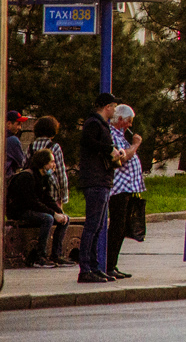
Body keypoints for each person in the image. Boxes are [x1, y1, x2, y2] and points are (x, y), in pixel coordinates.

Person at [77, 92, 124, 283]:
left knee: (98, 227)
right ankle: (85, 268)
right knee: (92, 226)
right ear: (107, 107)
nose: (114, 110)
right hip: (95, 180)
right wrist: (109, 149)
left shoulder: (101, 125)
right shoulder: (94, 123)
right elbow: (88, 142)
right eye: (113, 106)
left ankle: (95, 267)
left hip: (102, 179)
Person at [6, 149, 68, 268]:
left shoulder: (44, 178)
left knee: (65, 219)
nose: (54, 165)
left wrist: (60, 212)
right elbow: (32, 202)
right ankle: (41, 256)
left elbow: (47, 198)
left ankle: (56, 254)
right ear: (43, 163)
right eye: (51, 162)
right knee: (48, 219)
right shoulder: (27, 176)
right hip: (20, 211)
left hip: (32, 208)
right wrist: (53, 214)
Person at [107, 104, 144, 279]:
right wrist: (136, 145)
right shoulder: (112, 134)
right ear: (120, 119)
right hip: (118, 189)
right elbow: (123, 157)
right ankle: (108, 264)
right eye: (128, 121)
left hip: (128, 188)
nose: (130, 125)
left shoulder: (122, 135)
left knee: (122, 228)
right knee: (117, 226)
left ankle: (112, 263)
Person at [29, 115, 72, 265]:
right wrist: (64, 196)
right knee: (57, 218)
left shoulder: (32, 146)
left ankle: (46, 252)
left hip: (36, 187)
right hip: (52, 188)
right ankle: (54, 253)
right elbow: (60, 172)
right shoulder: (55, 147)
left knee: (49, 217)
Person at [4, 110, 29, 179]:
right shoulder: (13, 140)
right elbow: (23, 162)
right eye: (18, 124)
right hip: (7, 178)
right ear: (8, 124)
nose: (20, 128)